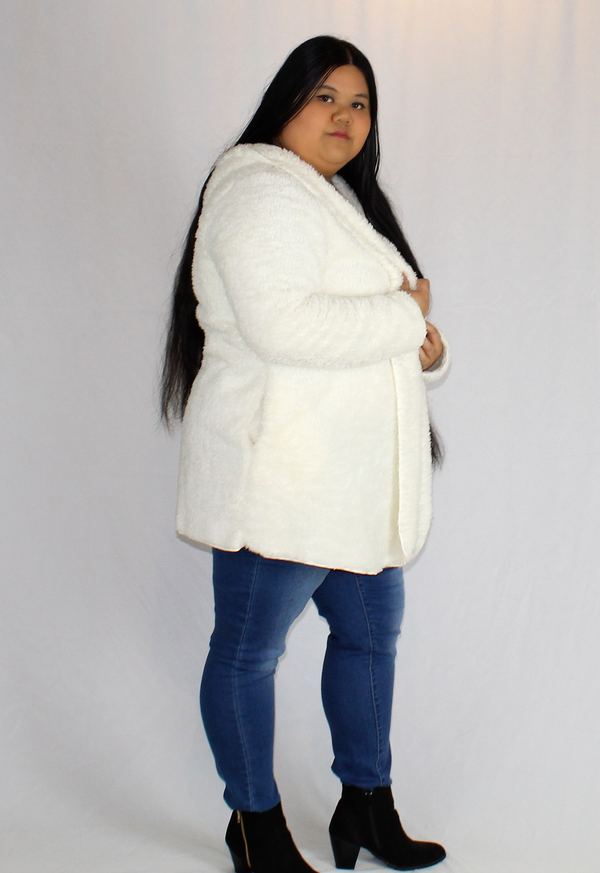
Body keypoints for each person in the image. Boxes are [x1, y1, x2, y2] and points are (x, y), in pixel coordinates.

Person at [161, 35, 449, 873]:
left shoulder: (334, 200)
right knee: (249, 652)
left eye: (360, 104)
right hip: (280, 480)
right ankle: (254, 823)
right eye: (325, 96)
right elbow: (284, 325)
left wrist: (425, 350)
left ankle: (366, 804)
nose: (345, 117)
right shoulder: (258, 188)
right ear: (286, 101)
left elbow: (375, 330)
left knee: (369, 641)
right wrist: (404, 317)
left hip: (349, 485)